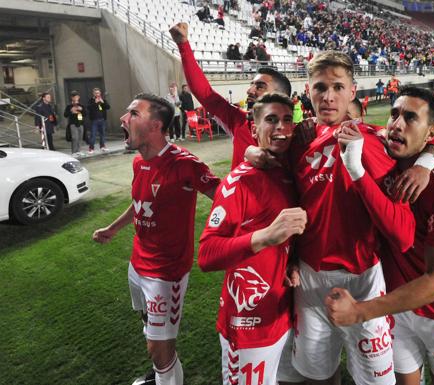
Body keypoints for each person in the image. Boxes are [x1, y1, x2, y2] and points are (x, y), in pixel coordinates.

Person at [289, 51, 434, 385]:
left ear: (352, 91)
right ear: (308, 90)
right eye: (320, 87)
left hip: (362, 279)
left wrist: (426, 162)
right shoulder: (298, 141)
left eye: (337, 87)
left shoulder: (374, 141)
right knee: (317, 375)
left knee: (377, 379)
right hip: (309, 278)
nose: (328, 96)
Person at [325, 85, 434, 385]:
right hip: (396, 301)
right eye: (394, 114)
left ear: (430, 134)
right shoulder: (385, 147)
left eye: (410, 118)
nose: (396, 124)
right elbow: (353, 126)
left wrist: (359, 312)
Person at [92, 93, 220, 385]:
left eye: (133, 114)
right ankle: (164, 374)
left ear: (156, 126)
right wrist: (113, 228)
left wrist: (220, 232)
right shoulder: (139, 163)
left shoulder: (185, 164)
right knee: (148, 328)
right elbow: (140, 202)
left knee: (158, 350)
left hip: (166, 273)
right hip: (137, 264)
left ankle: (166, 375)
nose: (123, 119)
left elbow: (224, 197)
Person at [198, 92, 306, 385]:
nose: (281, 128)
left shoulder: (286, 173)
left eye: (287, 120)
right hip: (246, 321)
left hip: (280, 310)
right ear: (254, 129)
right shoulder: (239, 182)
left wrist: (291, 260)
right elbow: (206, 255)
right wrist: (266, 236)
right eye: (271, 120)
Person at [170, 22, 292, 170]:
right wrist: (183, 45)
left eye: (260, 86)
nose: (250, 90)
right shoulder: (238, 120)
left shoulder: (299, 135)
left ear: (280, 96)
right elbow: (205, 94)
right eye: (251, 84)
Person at [87, 88, 110, 153]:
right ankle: (91, 148)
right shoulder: (91, 100)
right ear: (93, 94)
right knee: (93, 135)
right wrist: (95, 102)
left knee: (102, 134)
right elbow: (89, 108)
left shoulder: (102, 100)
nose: (97, 94)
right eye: (96, 93)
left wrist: (102, 102)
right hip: (94, 120)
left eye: (98, 93)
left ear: (100, 93)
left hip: (102, 119)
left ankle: (102, 146)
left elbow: (108, 107)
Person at [63, 90, 86, 157]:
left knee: (80, 137)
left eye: (76, 96)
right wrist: (71, 111)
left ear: (78, 97)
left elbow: (85, 114)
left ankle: (79, 151)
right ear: (71, 98)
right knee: (74, 137)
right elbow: (65, 115)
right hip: (73, 123)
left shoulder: (81, 106)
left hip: (81, 123)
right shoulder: (69, 106)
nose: (75, 98)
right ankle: (74, 152)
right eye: (73, 97)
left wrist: (81, 110)